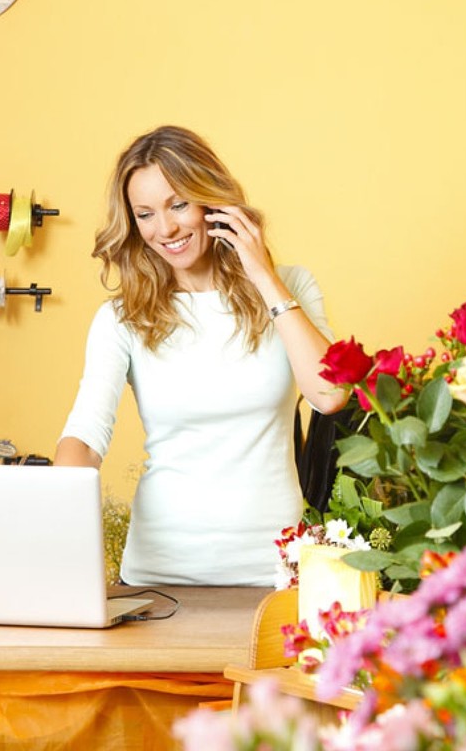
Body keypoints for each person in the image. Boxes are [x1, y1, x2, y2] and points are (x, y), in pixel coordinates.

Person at [56, 125, 349, 587]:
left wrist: (263, 276)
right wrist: (54, 513)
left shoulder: (292, 286)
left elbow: (330, 394)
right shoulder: (122, 317)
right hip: (159, 576)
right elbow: (86, 438)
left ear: (211, 202)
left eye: (178, 204)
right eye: (146, 214)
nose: (165, 229)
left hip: (274, 575)